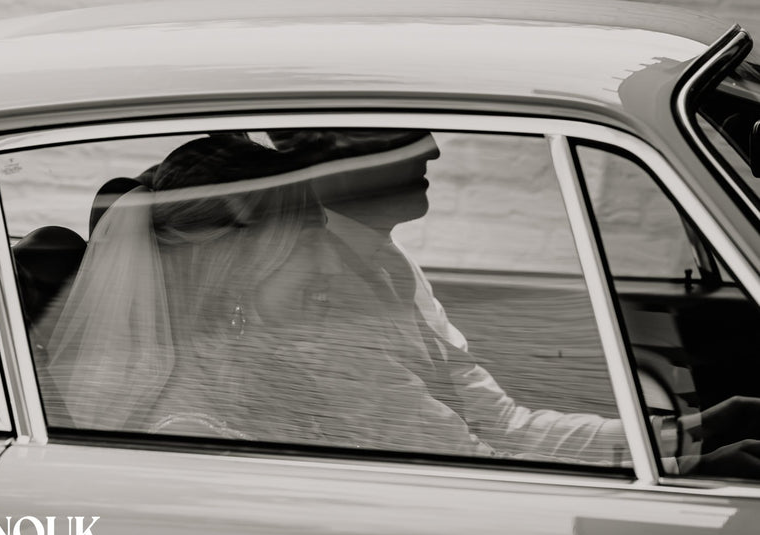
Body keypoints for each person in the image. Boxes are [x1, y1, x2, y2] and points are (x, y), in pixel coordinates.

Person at [268, 128, 760, 477]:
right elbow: (463, 466)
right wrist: (688, 469)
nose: (432, 149)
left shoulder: (388, 262)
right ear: (318, 159)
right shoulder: (315, 299)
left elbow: (501, 426)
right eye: (394, 134)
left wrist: (691, 432)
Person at [42, 134, 492, 456]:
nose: (333, 265)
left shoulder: (269, 371)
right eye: (308, 242)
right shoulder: (194, 434)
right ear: (237, 270)